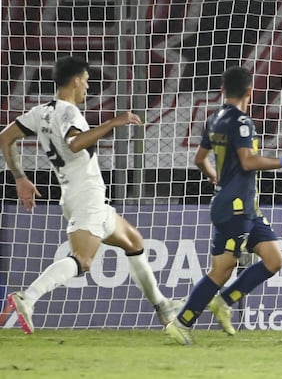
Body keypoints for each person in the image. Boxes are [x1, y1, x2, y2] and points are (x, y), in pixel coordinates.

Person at [0, 55, 180, 334]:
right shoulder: (70, 112)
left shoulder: (41, 112)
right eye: (86, 81)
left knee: (133, 241)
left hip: (76, 195)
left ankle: (161, 304)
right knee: (83, 260)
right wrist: (113, 123)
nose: (87, 87)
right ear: (75, 81)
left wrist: (20, 178)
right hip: (87, 196)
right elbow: (74, 144)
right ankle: (28, 297)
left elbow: (5, 137)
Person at [164, 65, 282, 345]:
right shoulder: (242, 122)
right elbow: (247, 161)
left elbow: (199, 159)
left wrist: (214, 176)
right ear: (249, 92)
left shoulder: (215, 118)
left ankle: (224, 302)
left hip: (247, 207)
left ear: (223, 90)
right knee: (222, 270)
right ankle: (182, 322)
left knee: (273, 259)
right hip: (234, 207)